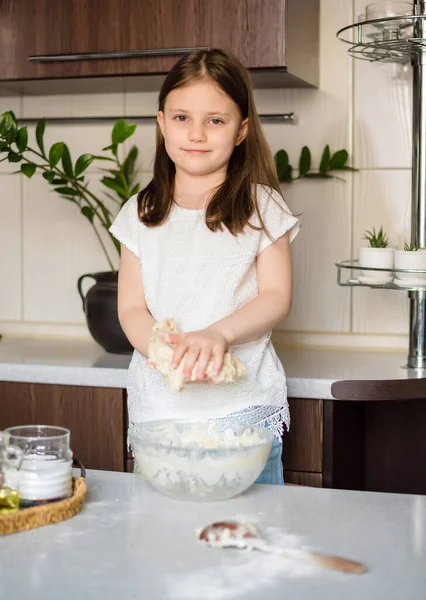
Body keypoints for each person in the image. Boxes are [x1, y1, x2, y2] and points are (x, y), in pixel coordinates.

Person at [109, 48, 299, 485]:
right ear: (161, 123)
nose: (196, 133)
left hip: (243, 416)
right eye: (181, 118)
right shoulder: (139, 212)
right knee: (163, 545)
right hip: (160, 417)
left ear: (240, 131)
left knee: (247, 541)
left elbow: (276, 297)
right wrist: (162, 354)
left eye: (215, 120)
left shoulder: (262, 206)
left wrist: (219, 335)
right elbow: (132, 309)